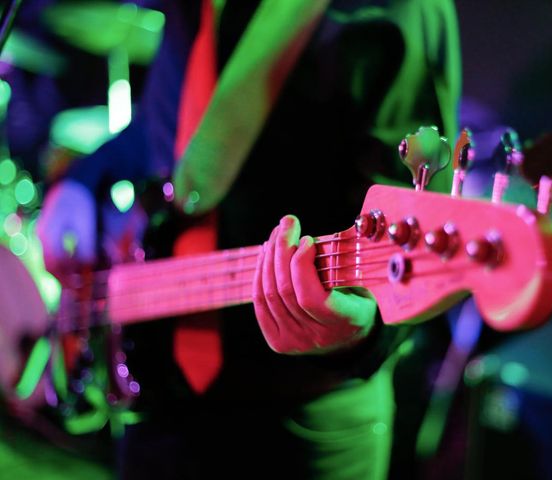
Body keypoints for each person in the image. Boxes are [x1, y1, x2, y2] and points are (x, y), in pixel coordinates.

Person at [35, 0, 462, 478]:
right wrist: (80, 180)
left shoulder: (397, 10)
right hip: (158, 395)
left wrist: (360, 331)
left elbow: (415, 233)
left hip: (302, 425)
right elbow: (173, 130)